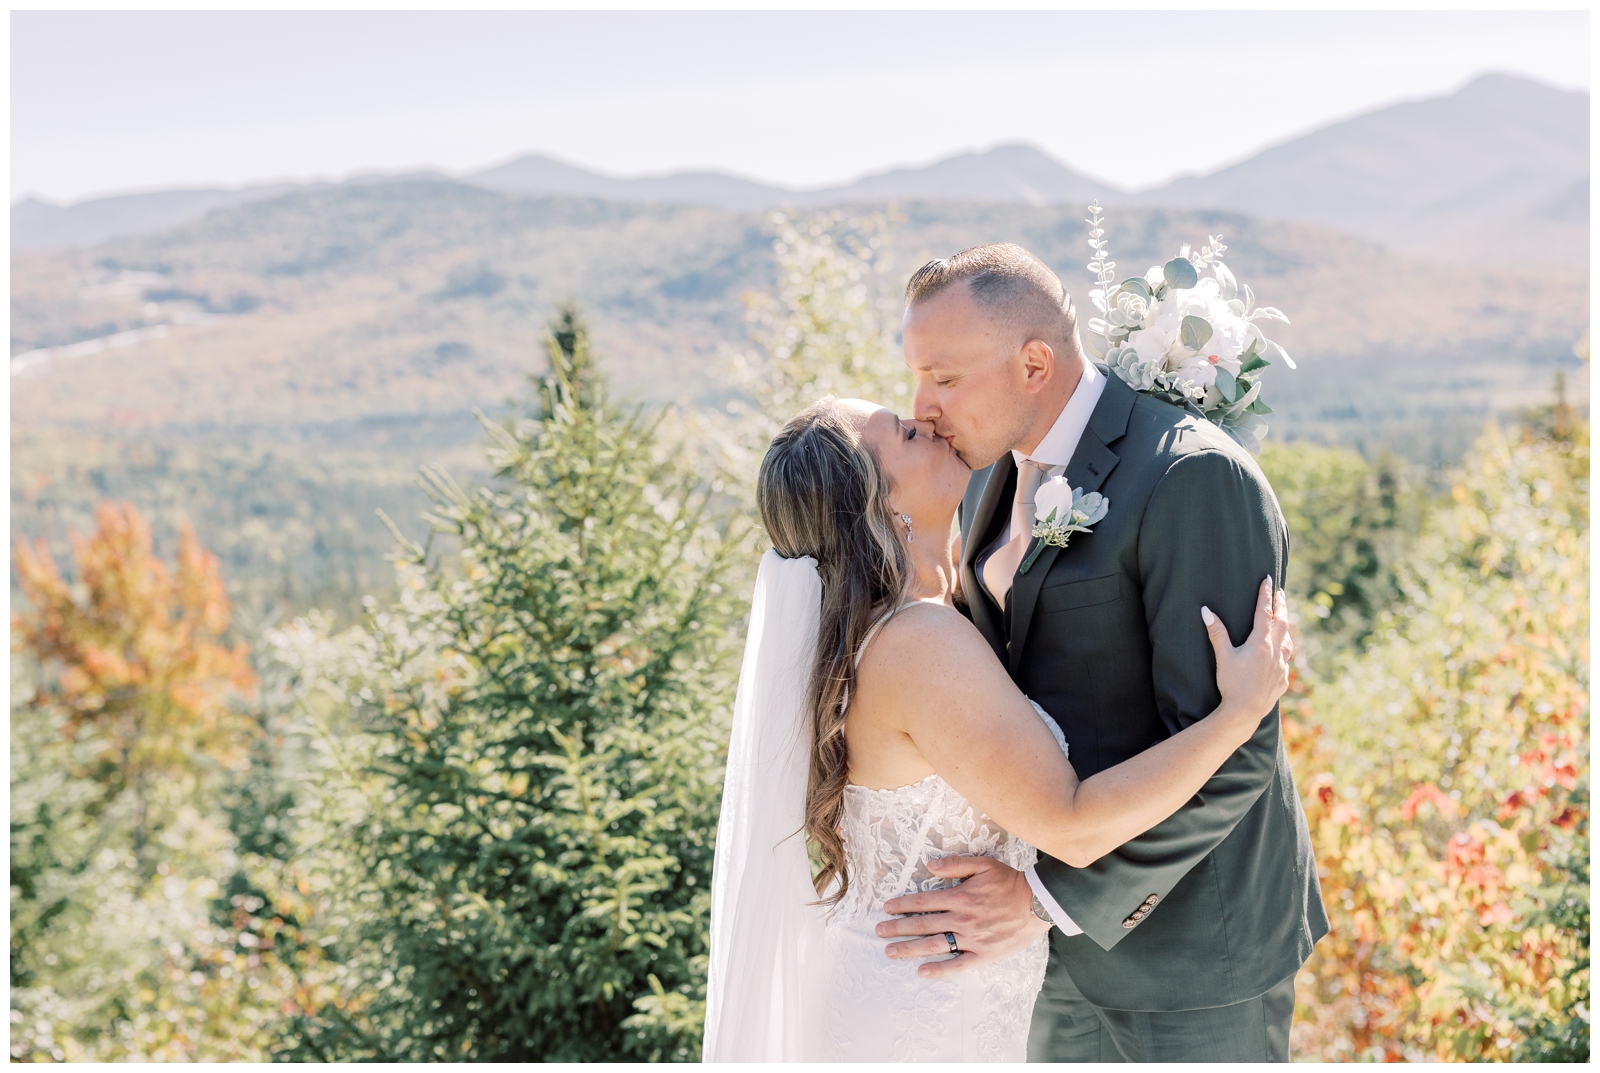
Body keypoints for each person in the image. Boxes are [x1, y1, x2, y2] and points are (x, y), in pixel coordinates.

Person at [703, 288, 1302, 1058]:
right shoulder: (917, 639)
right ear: (886, 514)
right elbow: (1071, 815)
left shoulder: (895, 610)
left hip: (1142, 967)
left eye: (939, 383)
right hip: (940, 993)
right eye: (911, 429)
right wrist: (1238, 711)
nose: (928, 412)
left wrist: (1045, 903)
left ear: (1033, 362)